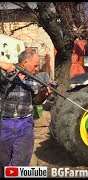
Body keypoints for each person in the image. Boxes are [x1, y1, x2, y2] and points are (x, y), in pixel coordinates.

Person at [0, 49, 52, 177]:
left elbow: (37, 100)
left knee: (22, 161)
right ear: (24, 63)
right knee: (3, 161)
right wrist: (4, 64)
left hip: (25, 123)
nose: (37, 69)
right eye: (35, 65)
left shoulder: (34, 79)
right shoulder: (5, 74)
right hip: (5, 123)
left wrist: (42, 94)